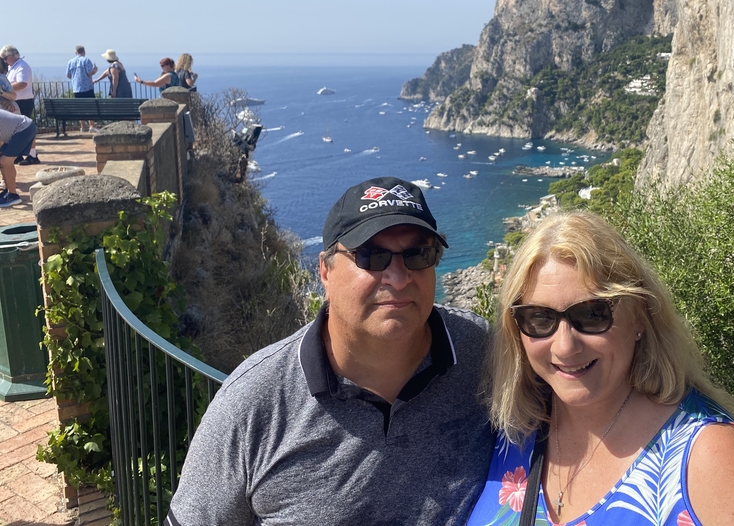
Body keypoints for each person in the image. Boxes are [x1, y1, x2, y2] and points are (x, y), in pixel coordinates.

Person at [166, 176, 495, 525]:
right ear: (325, 270)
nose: (398, 279)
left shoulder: (482, 353)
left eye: (418, 254)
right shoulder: (255, 401)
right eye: (371, 256)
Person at [467, 211, 734, 526]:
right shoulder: (516, 432)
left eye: (592, 314)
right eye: (540, 318)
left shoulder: (713, 459)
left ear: (639, 314)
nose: (565, 346)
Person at [0, 45, 39, 165]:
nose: (4, 61)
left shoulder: (22, 66)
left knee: (25, 126)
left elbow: (22, 83)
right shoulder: (13, 67)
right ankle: (17, 155)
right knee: (13, 130)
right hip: (16, 101)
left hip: (23, 101)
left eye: (5, 58)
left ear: (12, 55)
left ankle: (33, 155)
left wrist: (6, 88)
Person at [0, 109, 37, 207]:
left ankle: (13, 195)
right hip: (22, 128)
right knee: (2, 161)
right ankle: (8, 191)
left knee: (5, 161)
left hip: (24, 128)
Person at [65, 45, 99, 132]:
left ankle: (83, 126)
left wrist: (75, 78)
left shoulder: (70, 62)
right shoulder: (86, 60)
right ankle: (91, 126)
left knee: (80, 107)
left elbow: (68, 75)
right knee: (90, 107)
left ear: (75, 52)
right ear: (84, 52)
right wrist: (95, 70)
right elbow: (89, 73)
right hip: (87, 87)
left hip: (76, 88)